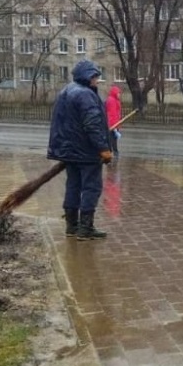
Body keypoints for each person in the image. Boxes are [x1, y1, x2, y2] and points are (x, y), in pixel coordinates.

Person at [48, 60, 113, 240]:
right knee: (91, 188)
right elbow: (92, 124)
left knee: (73, 186)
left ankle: (72, 226)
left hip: (70, 152)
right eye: (95, 76)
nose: (96, 80)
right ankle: (85, 229)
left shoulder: (66, 91)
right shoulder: (85, 95)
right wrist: (103, 149)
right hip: (86, 152)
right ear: (87, 76)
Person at [105, 85, 122, 157]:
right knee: (112, 139)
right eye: (118, 93)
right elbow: (112, 114)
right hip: (113, 124)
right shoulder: (112, 100)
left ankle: (113, 151)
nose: (119, 95)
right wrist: (114, 126)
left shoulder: (115, 100)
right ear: (115, 93)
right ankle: (113, 152)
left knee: (113, 138)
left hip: (115, 123)